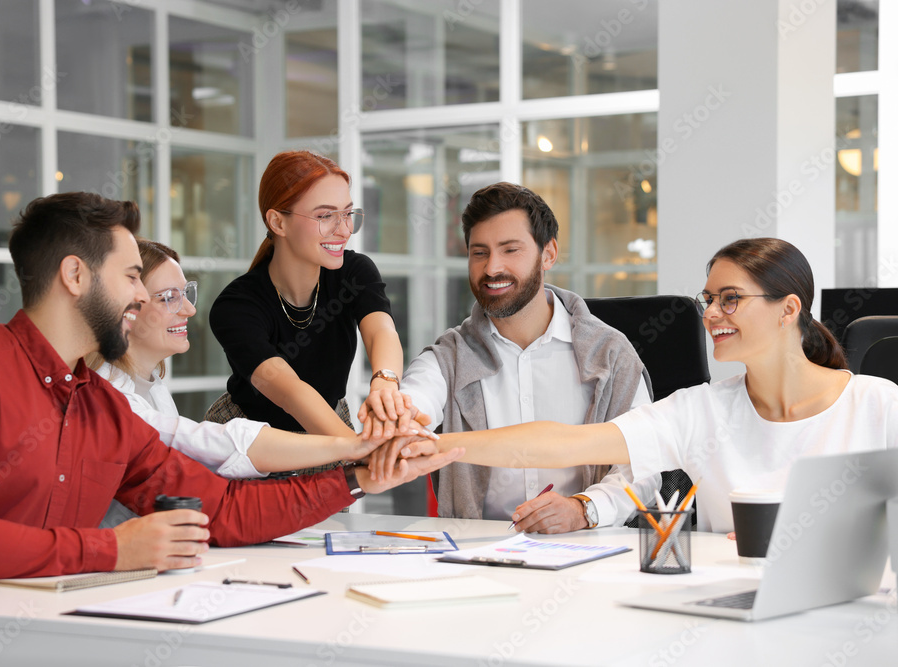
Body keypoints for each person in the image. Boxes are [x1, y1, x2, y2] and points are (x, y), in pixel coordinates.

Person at [0, 192, 460, 585]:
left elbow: (226, 511)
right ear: (75, 277)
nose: (141, 298)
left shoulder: (103, 406)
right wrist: (113, 549)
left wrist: (360, 475)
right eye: (130, 277)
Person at [378, 237, 898, 534]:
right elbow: (564, 441)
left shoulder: (878, 406)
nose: (712, 314)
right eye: (708, 299)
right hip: (734, 610)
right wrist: (440, 446)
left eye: (731, 298)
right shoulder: (701, 412)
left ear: (789, 309)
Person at [362, 182, 657, 532]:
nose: (491, 268)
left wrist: (584, 509)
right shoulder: (449, 357)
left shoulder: (610, 354)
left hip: (588, 548)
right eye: (479, 252)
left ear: (548, 254)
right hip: (479, 551)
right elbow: (415, 402)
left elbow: (644, 462)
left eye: (510, 250)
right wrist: (397, 417)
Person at [88, 238, 388, 484]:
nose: (190, 310)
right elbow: (218, 443)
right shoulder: (111, 397)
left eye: (186, 293)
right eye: (169, 297)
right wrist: (355, 446)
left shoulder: (152, 388)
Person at [207, 151, 414, 446]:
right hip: (254, 439)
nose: (344, 230)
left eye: (347, 214)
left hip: (332, 423)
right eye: (325, 216)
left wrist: (385, 382)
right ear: (278, 222)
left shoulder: (354, 272)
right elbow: (291, 393)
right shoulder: (236, 307)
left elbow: (381, 330)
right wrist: (359, 448)